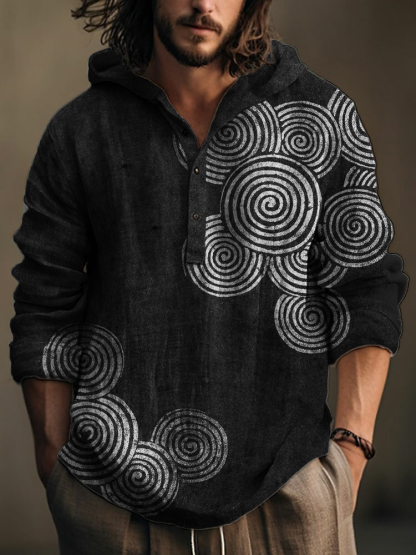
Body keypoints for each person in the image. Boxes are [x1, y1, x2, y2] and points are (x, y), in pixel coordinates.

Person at [9, 0, 409, 554]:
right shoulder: (82, 131)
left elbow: (365, 287)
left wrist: (349, 455)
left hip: (290, 499)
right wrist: (55, 463)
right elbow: (45, 302)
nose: (203, 3)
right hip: (114, 506)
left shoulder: (320, 116)